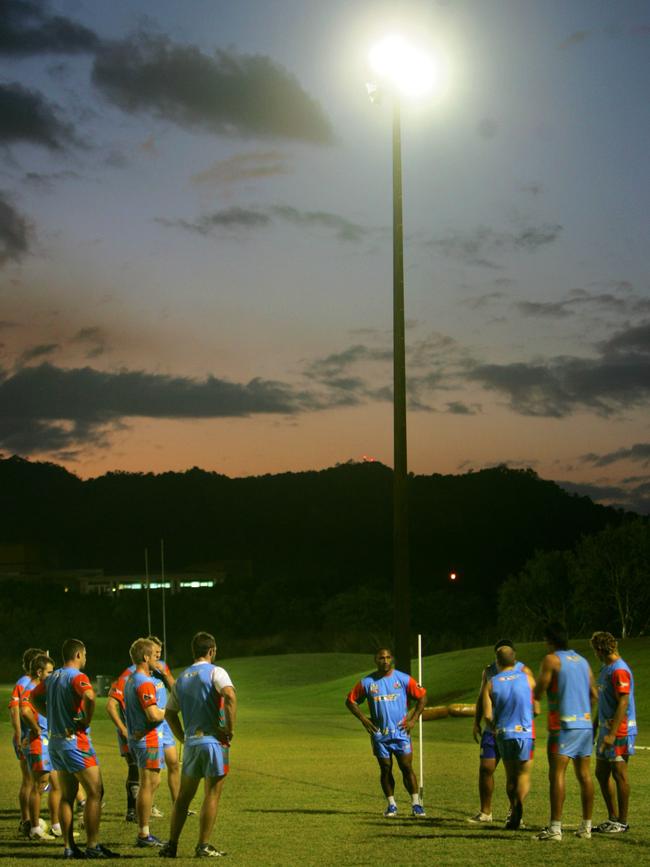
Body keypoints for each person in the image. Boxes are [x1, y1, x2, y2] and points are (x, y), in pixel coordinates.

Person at [31, 638, 119, 860]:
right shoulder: (77, 677)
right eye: (85, 654)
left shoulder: (53, 677)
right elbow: (89, 695)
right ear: (78, 655)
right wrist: (86, 720)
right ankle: (92, 846)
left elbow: (33, 696)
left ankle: (69, 847)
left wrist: (49, 715)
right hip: (75, 743)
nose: (86, 658)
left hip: (56, 744)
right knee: (95, 792)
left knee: (67, 795)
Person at [159, 631, 237, 858]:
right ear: (211, 651)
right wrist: (230, 729)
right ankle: (203, 845)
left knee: (184, 796)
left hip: (192, 743)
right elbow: (230, 696)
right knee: (212, 793)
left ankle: (171, 844)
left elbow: (169, 713)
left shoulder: (182, 678)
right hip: (213, 741)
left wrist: (183, 737)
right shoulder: (216, 672)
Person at [533, 622, 597, 841]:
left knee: (557, 774)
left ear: (549, 641)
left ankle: (555, 829)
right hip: (585, 726)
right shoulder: (582, 661)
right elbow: (594, 694)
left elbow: (540, 689)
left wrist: (537, 698)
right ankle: (586, 827)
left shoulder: (552, 659)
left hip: (563, 726)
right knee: (585, 775)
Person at [345, 648, 427, 818]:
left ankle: (416, 804)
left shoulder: (402, 679)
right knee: (385, 768)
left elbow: (422, 696)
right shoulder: (368, 682)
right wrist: (364, 720)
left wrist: (413, 720)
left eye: (388, 657)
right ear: (376, 660)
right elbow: (350, 701)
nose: (385, 660)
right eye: (381, 658)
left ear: (392, 659)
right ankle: (391, 805)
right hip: (380, 735)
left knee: (406, 767)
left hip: (401, 732)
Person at [468, 639, 533, 824]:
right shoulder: (489, 671)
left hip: (514, 730)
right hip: (491, 730)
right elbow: (482, 698)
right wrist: (476, 722)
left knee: (514, 774)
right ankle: (485, 812)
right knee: (486, 768)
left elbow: (531, 698)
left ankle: (514, 813)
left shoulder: (523, 671)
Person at [483, 643, 537, 831]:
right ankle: (516, 809)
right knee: (524, 774)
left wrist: (494, 727)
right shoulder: (528, 679)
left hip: (503, 734)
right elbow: (536, 707)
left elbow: (487, 715)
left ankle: (514, 808)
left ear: (497, 661)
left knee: (510, 776)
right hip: (525, 732)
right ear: (514, 660)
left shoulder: (492, 682)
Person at [590, 631, 637, 834]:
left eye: (594, 650)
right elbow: (604, 701)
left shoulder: (619, 670)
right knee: (601, 773)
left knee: (619, 774)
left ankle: (622, 822)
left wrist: (612, 733)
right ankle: (613, 818)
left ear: (599, 650)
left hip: (620, 730)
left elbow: (623, 702)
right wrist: (594, 726)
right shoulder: (605, 668)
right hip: (605, 729)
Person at [124, 638, 167, 848]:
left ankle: (144, 831)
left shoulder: (131, 679)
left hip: (137, 738)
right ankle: (143, 833)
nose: (156, 659)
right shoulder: (144, 682)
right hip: (147, 739)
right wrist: (169, 711)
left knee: (151, 782)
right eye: (153, 655)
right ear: (144, 657)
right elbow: (152, 714)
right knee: (148, 784)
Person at [20, 653, 62, 841]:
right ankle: (35, 828)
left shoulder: (42, 687)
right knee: (40, 785)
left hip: (47, 741)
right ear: (39, 672)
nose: (52, 675)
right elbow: (24, 710)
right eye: (50, 672)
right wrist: (36, 728)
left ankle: (56, 825)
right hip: (39, 743)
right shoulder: (32, 688)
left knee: (56, 784)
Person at [8, 646, 44, 837]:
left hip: (31, 737)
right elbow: (15, 710)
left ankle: (30, 819)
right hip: (27, 737)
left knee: (36, 781)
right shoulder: (24, 683)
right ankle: (26, 820)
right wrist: (20, 734)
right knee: (29, 781)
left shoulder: (32, 682)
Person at [148, 636, 181, 809]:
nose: (158, 655)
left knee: (174, 763)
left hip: (165, 725)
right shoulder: (138, 673)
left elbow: (175, 688)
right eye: (155, 652)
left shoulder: (162, 668)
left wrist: (166, 673)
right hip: (151, 727)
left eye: (160, 652)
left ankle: (178, 804)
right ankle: (148, 806)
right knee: (154, 772)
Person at [106, 665, 140, 822]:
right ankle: (132, 810)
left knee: (146, 772)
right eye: (155, 654)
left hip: (144, 733)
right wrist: (123, 729)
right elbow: (110, 705)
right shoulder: (126, 678)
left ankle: (142, 805)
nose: (157, 657)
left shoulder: (147, 676)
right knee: (134, 768)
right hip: (130, 734)